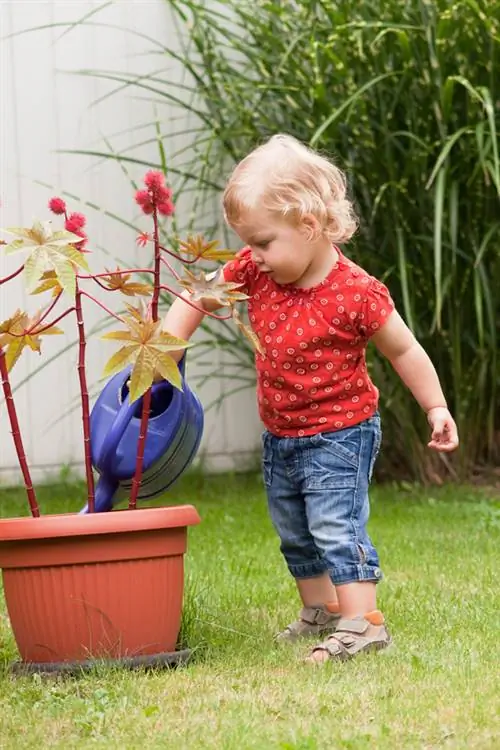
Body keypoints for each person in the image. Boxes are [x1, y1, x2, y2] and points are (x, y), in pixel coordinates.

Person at [162, 134, 459, 663]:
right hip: (282, 432)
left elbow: (405, 350)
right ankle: (320, 610)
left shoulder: (356, 292)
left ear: (308, 225)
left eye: (262, 241)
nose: (251, 255)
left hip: (342, 432)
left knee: (336, 525)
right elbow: (197, 294)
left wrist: (435, 406)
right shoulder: (254, 271)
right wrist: (164, 351)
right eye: (247, 243)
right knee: (295, 531)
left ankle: (363, 622)